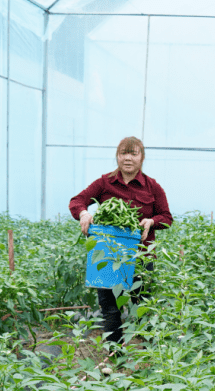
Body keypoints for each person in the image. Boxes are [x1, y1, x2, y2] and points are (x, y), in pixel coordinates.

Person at [69, 136, 173, 346]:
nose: (127, 158)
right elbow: (77, 201)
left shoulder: (152, 187)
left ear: (142, 158)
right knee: (110, 306)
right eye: (123, 153)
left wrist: (151, 221)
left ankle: (148, 354)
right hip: (107, 254)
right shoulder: (104, 183)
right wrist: (83, 214)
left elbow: (167, 218)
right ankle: (114, 353)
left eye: (133, 153)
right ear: (117, 156)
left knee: (142, 304)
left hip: (140, 255)